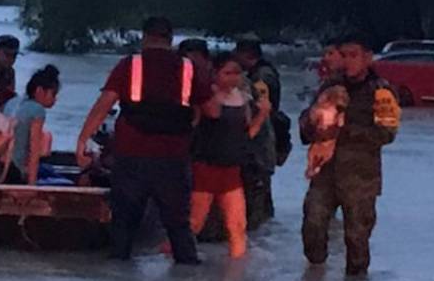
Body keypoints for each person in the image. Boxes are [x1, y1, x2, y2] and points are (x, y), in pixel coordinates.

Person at [75, 16, 211, 264]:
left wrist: (83, 139)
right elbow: (212, 109)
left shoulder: (130, 65)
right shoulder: (188, 69)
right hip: (173, 158)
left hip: (131, 157)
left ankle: (118, 277)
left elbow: (105, 104)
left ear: (144, 37)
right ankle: (187, 279)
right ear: (171, 39)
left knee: (123, 225)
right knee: (179, 226)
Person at [299, 31, 401, 277]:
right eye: (343, 55)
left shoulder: (382, 92)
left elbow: (387, 134)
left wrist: (343, 129)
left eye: (353, 55)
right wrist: (314, 121)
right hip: (325, 173)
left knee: (357, 240)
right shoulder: (329, 86)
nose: (347, 61)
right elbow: (305, 127)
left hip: (361, 178)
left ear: (368, 58)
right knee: (312, 226)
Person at [189, 52, 270, 259]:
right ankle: (173, 260)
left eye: (237, 73)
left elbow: (247, 134)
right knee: (194, 224)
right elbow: (205, 118)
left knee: (237, 227)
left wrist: (262, 114)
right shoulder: (205, 97)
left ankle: (237, 274)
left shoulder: (243, 98)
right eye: (228, 73)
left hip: (232, 169)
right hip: (206, 168)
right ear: (215, 73)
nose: (234, 78)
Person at [234, 36, 286, 227]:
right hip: (263, 144)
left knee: (257, 204)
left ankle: (261, 236)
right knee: (261, 200)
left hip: (260, 145)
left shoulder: (261, 77)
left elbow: (262, 109)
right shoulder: (263, 73)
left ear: (245, 54)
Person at [9, 65, 61, 185]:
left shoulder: (14, 102)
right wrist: (31, 186)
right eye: (53, 94)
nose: (55, 99)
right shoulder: (37, 110)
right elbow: (34, 151)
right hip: (15, 170)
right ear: (39, 91)